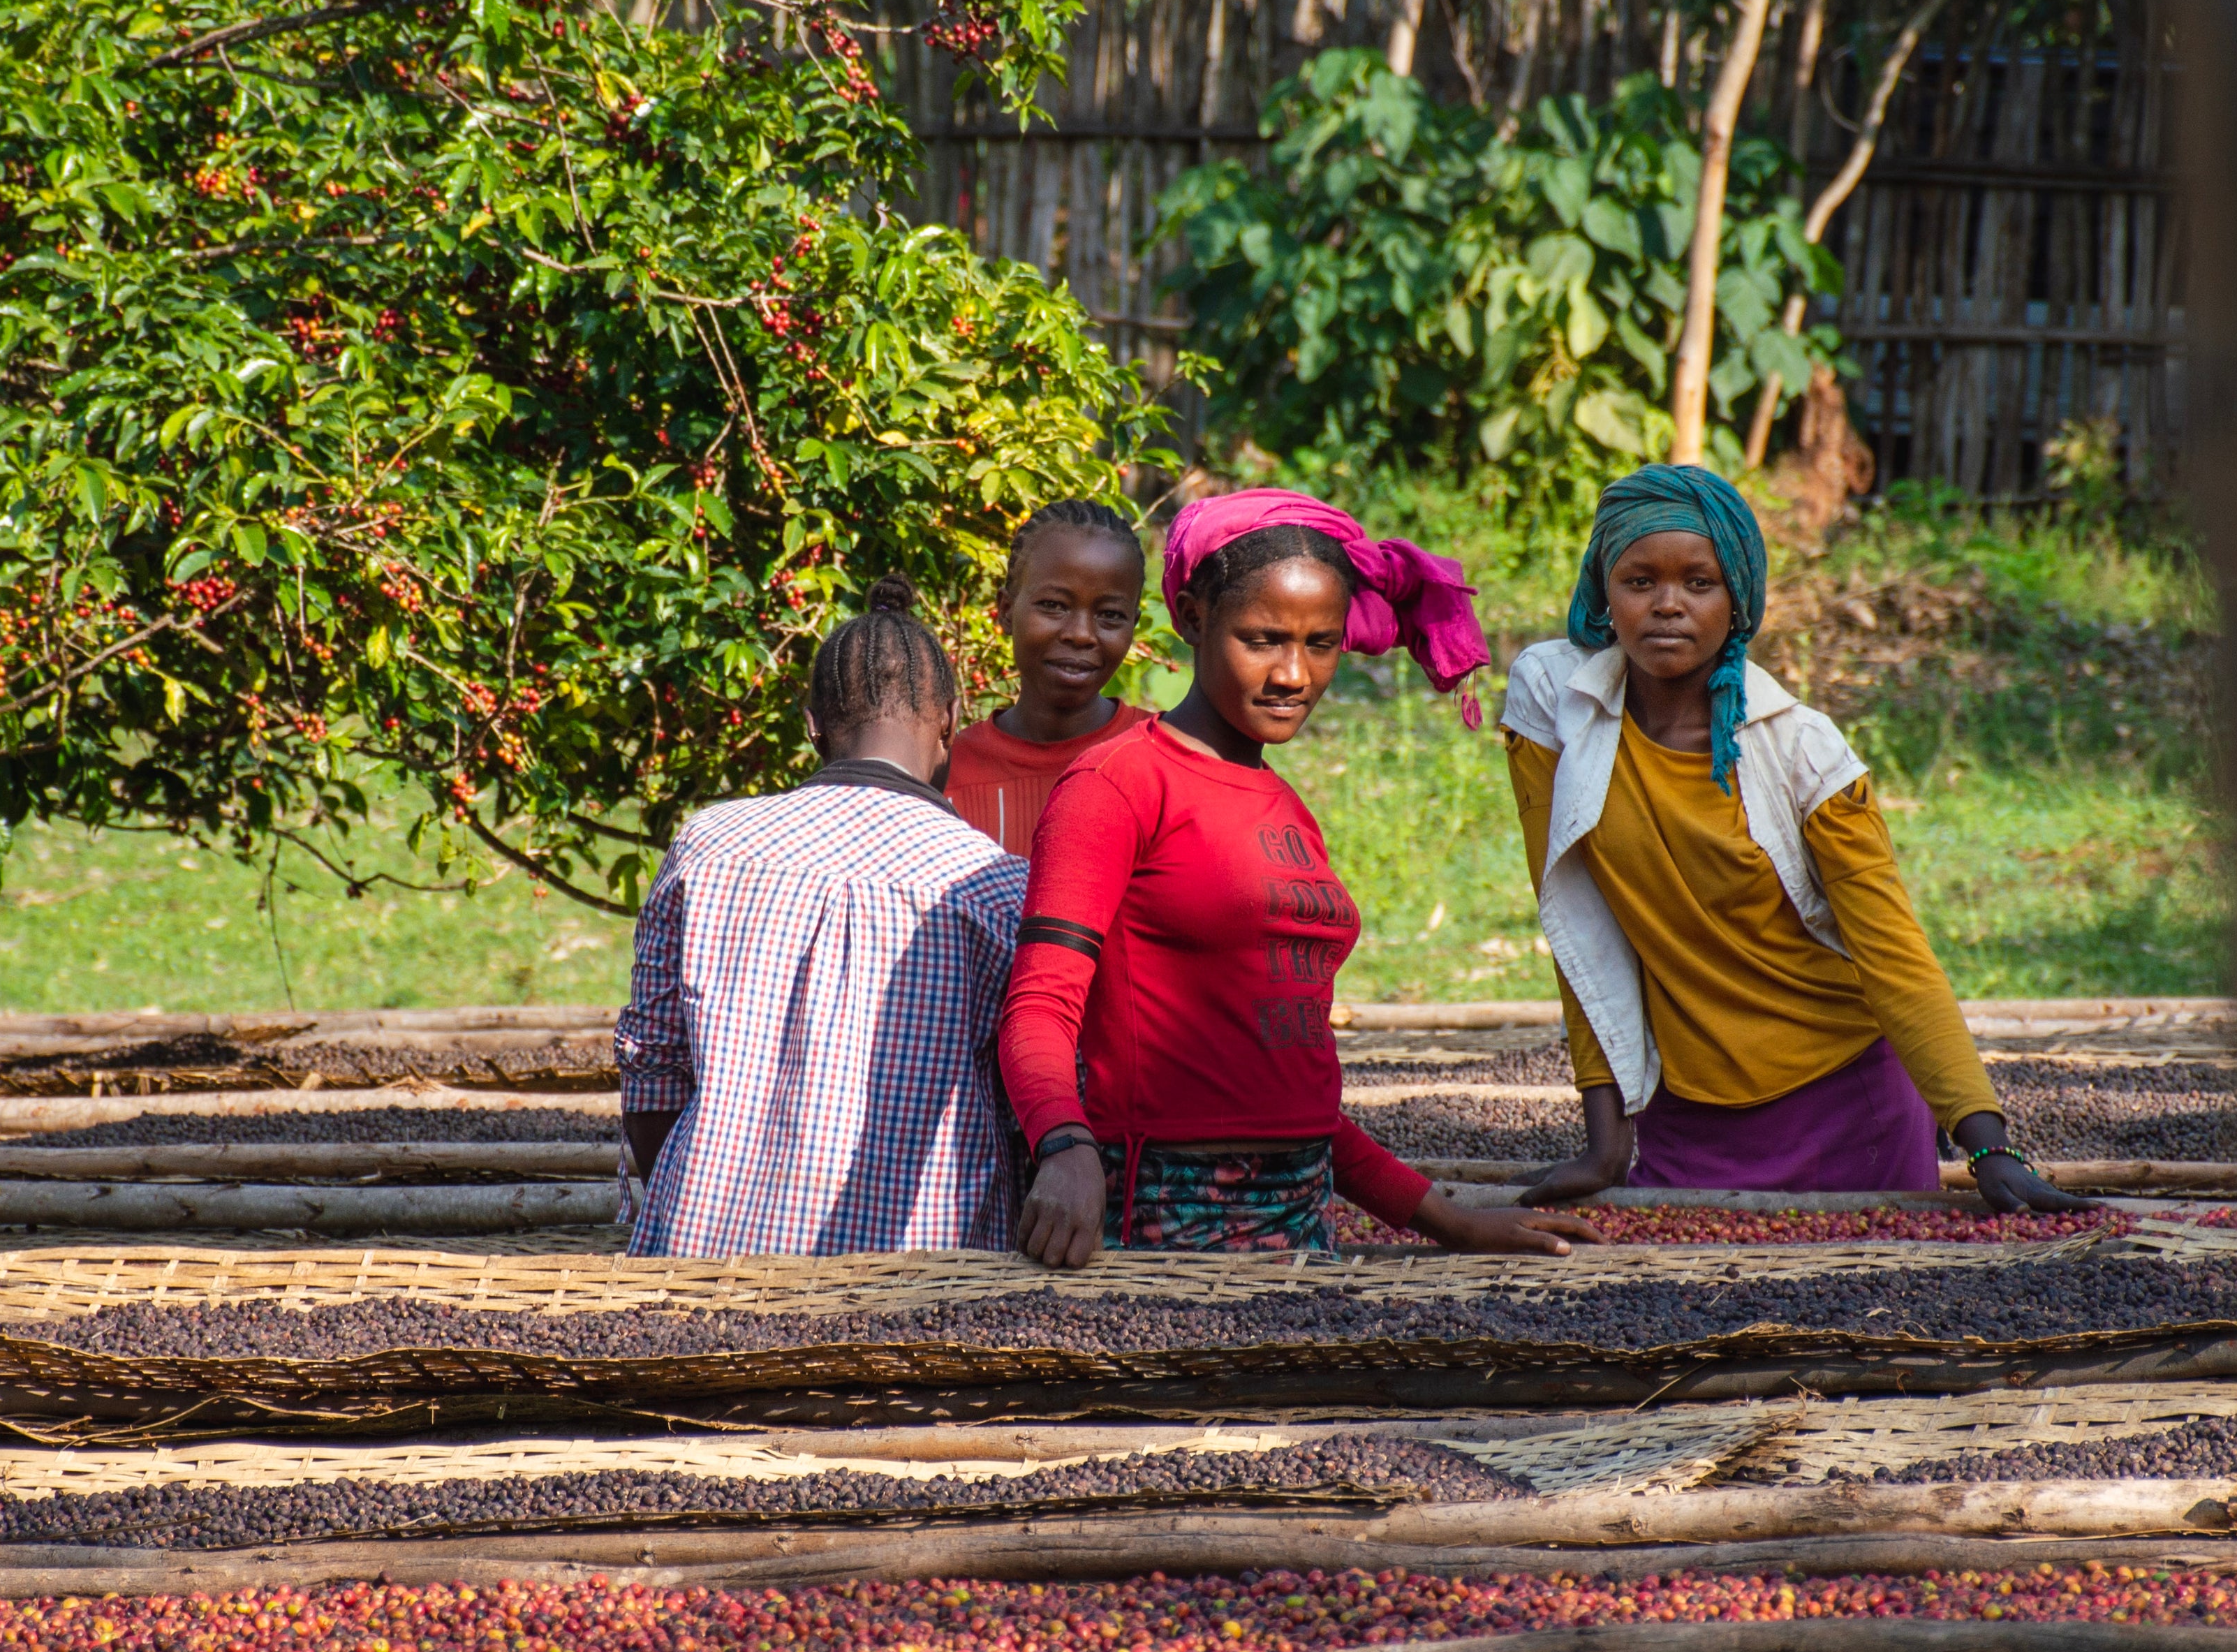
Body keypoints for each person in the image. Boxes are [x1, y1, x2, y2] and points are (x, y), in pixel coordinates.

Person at [998, 488, 1598, 1265]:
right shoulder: (1117, 785)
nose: (1294, 673)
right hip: (1159, 1211)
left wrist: (1451, 1220)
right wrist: (1064, 1144)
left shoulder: (1284, 807)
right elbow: (1039, 1005)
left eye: (1321, 644)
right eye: (1263, 638)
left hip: (1299, 1212)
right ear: (1191, 617)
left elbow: (1294, 1099)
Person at [1502, 462, 2083, 1214]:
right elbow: (1579, 925)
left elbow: (1894, 954)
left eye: (1700, 583)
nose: (1668, 605)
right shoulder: (1560, 710)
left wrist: (1987, 1144)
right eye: (1639, 581)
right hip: (1685, 1111)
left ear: (1738, 597)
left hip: (1849, 1105)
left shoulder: (1802, 753)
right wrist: (1607, 1141)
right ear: (1603, 594)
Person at [614, 580, 1029, 1255]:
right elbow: (1028, 1106)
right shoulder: (995, 888)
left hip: (702, 1272)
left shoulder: (708, 846)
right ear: (951, 720)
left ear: (811, 723)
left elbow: (652, 1070)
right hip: (920, 1288)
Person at [946, 497, 1152, 860]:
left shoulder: (1164, 762)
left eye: (1110, 615)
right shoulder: (946, 774)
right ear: (1006, 611)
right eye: (1054, 606)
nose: (1081, 634)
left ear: (1133, 625)